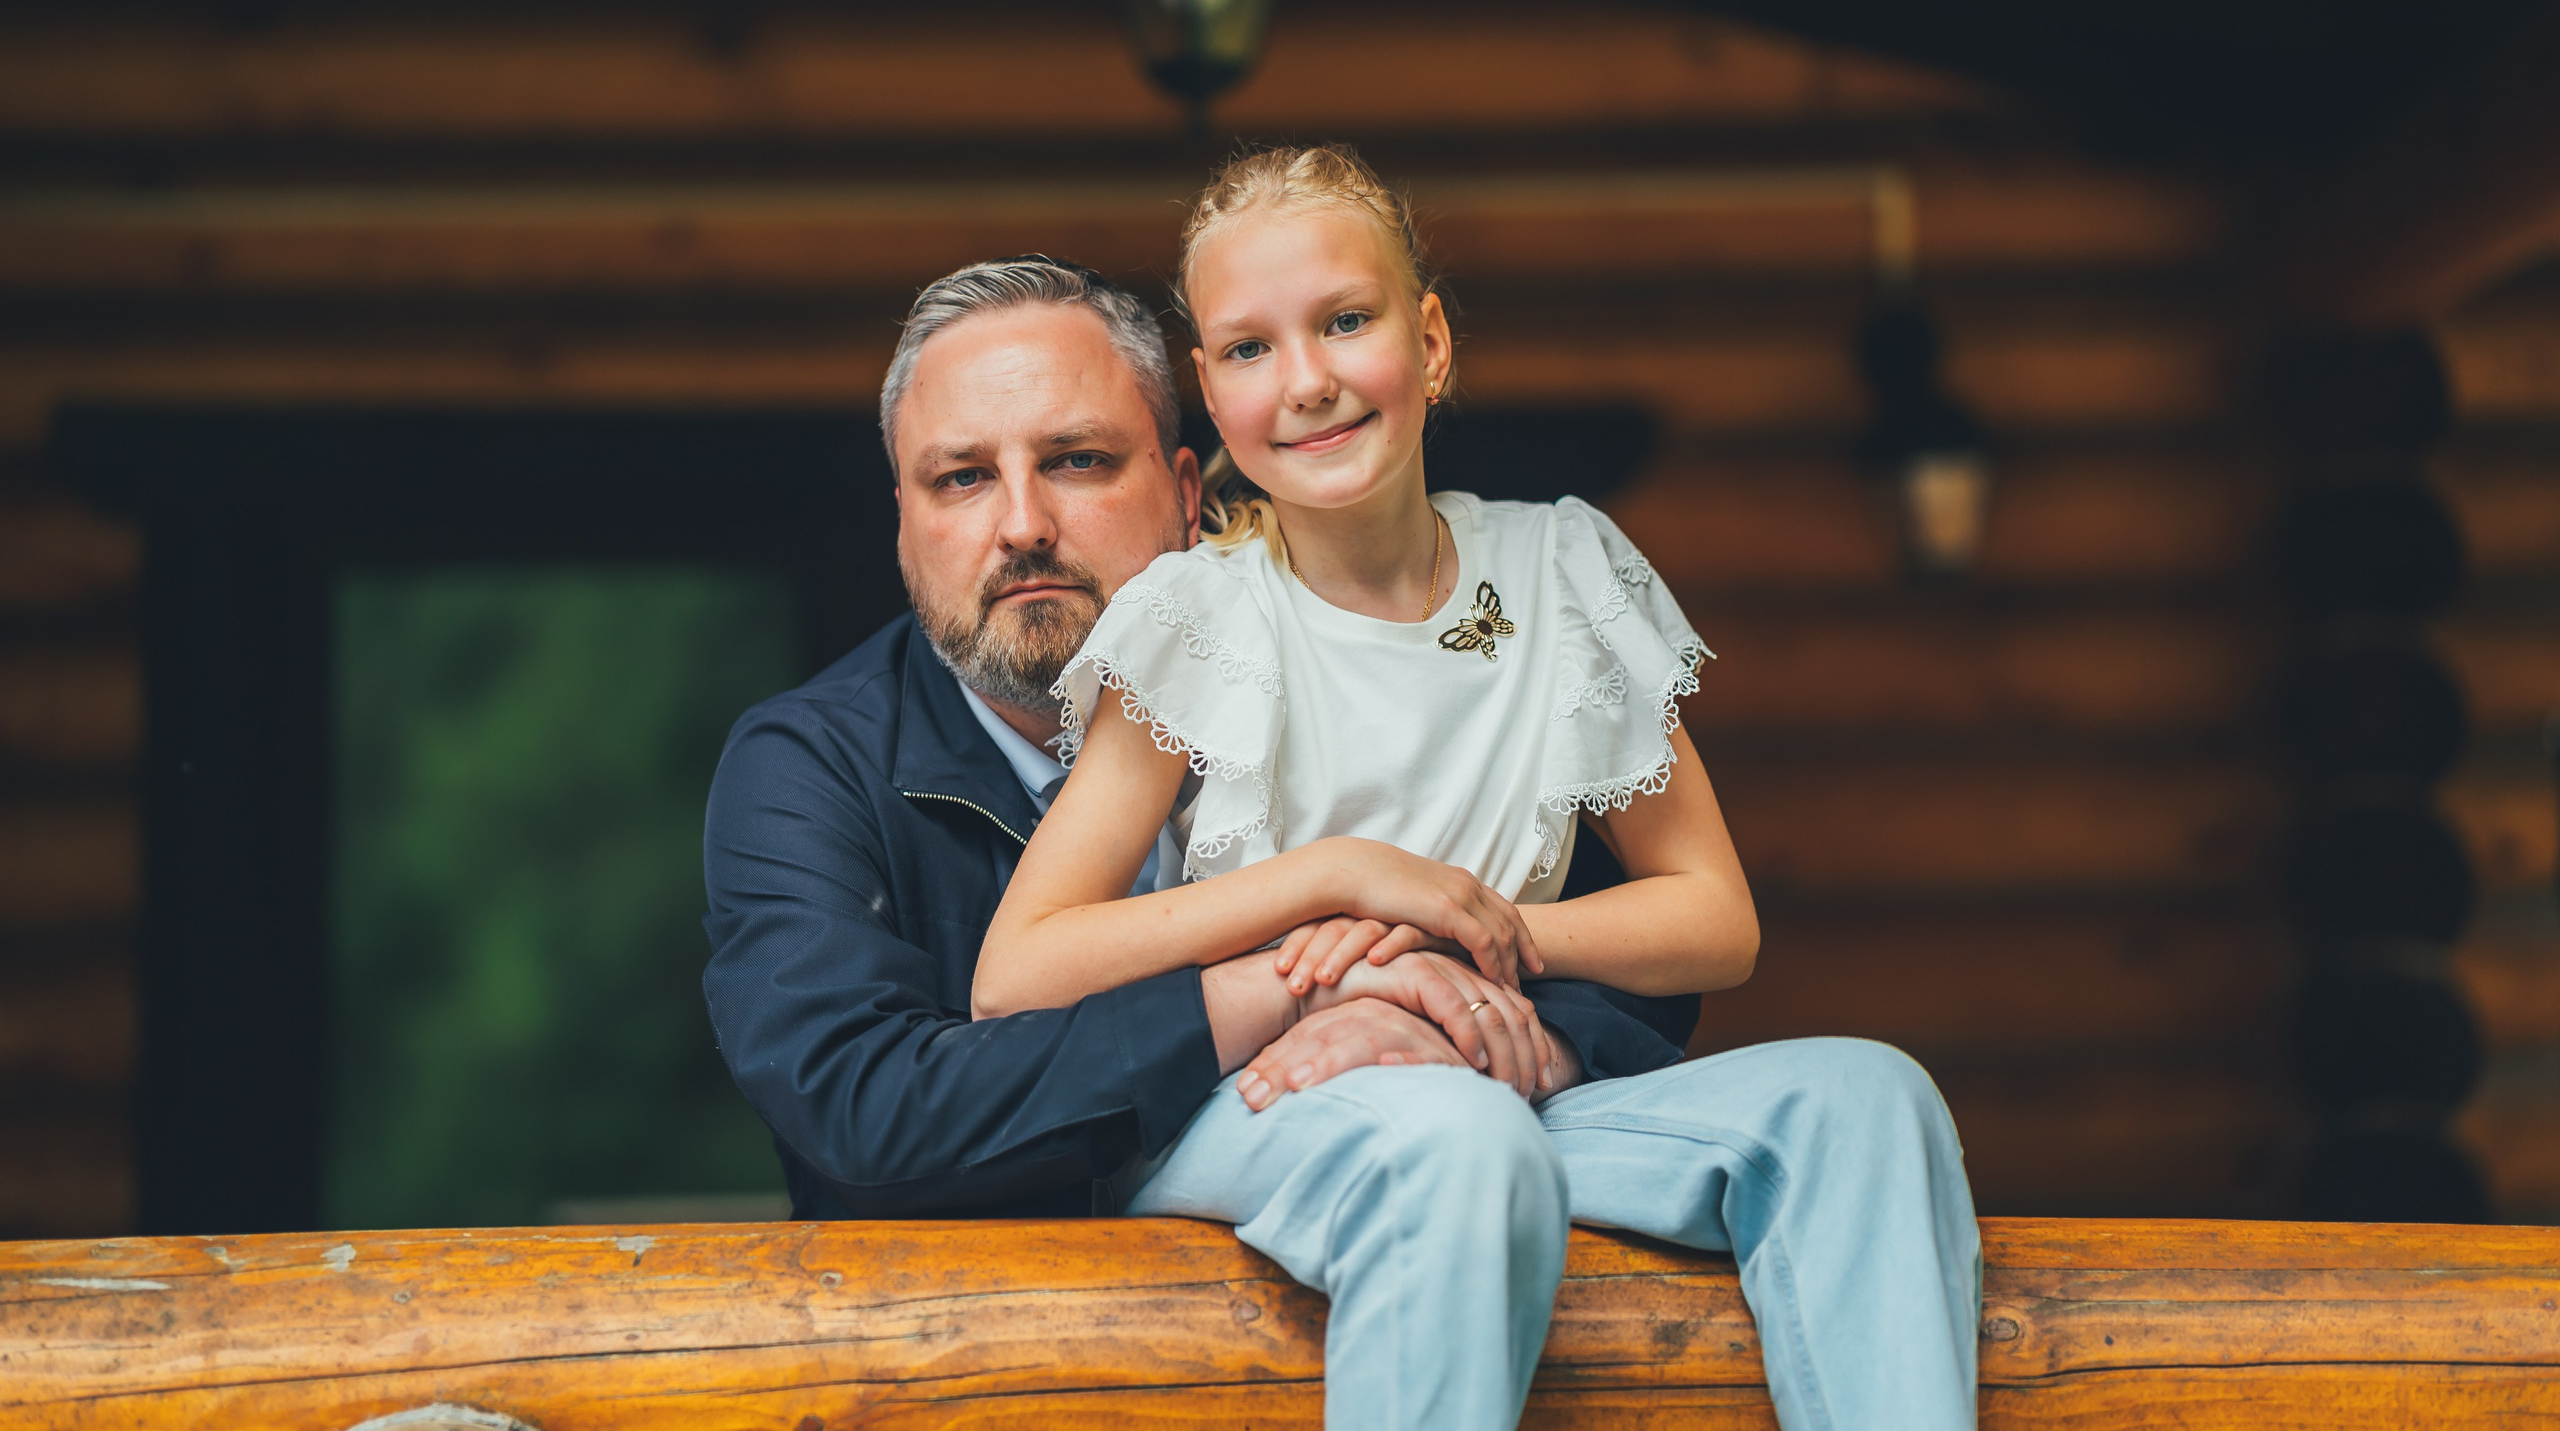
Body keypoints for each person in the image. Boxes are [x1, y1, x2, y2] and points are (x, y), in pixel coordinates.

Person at [701, 235, 1977, 1430]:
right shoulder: (811, 762)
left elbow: (1617, 959)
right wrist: (1286, 997)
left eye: (1078, 461)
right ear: (906, 519)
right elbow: (864, 1115)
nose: (1021, 521)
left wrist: (1428, 998)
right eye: (961, 478)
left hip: (1424, 1134)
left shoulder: (1319, 638)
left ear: (1188, 490)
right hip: (1021, 1347)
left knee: (1867, 1096)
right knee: (1449, 1140)